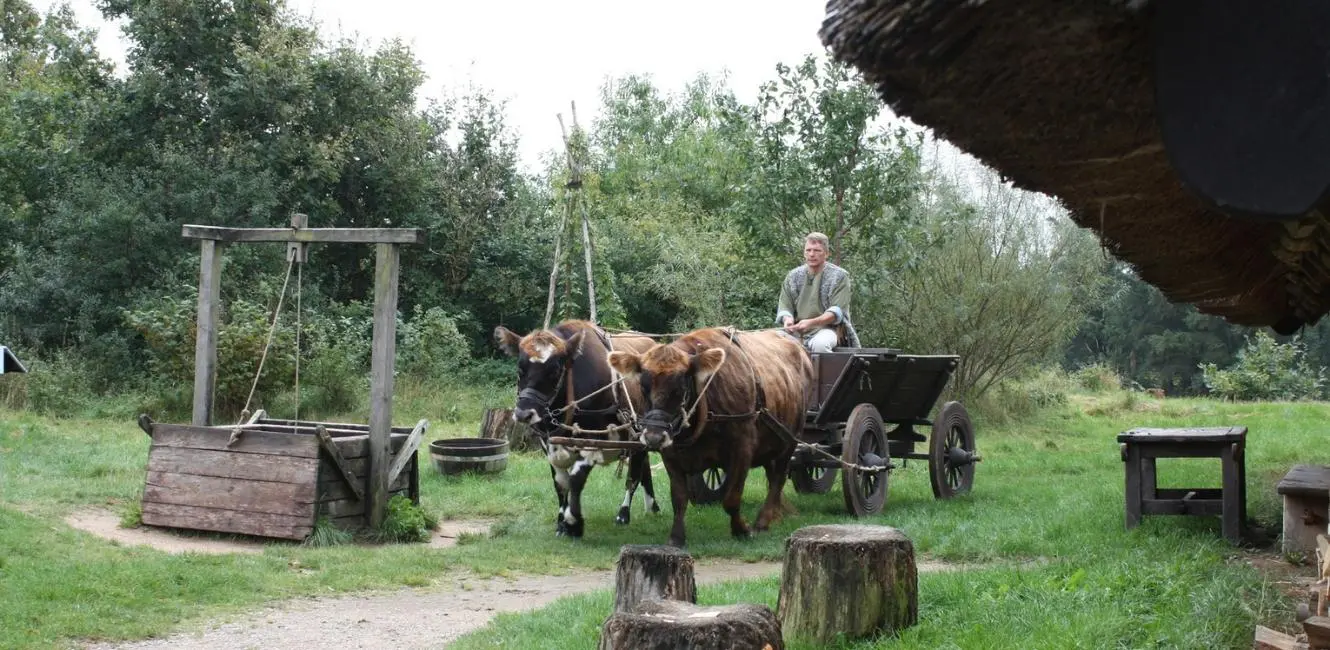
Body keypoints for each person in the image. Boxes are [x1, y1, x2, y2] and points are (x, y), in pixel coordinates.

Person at [776, 232, 860, 353]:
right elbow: (785, 305)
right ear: (804, 253)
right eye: (808, 250)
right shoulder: (793, 276)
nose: (811, 254)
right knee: (773, 341)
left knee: (820, 344)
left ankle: (828, 372)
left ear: (826, 253)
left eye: (817, 250)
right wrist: (787, 319)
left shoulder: (839, 276)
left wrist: (810, 323)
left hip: (828, 330)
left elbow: (836, 312)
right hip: (798, 331)